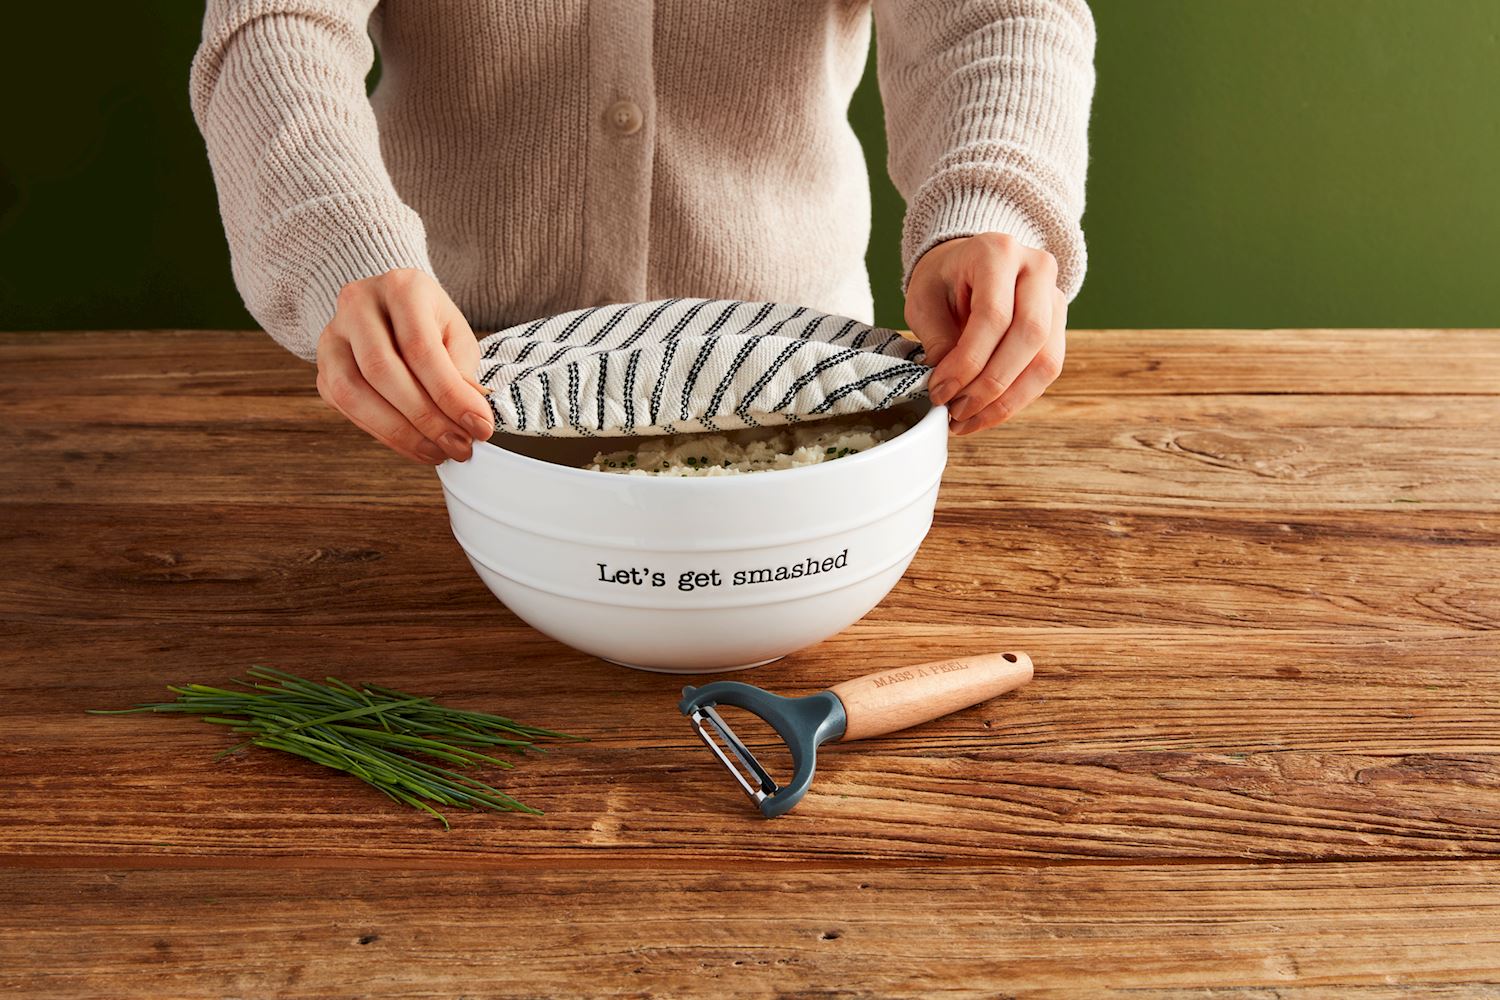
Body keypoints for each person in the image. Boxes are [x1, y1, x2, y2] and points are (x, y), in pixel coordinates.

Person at [191, 1, 1094, 465]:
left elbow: (992, 13)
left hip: (810, 389)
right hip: (439, 392)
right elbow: (275, 27)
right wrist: (345, 245)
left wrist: (989, 203)